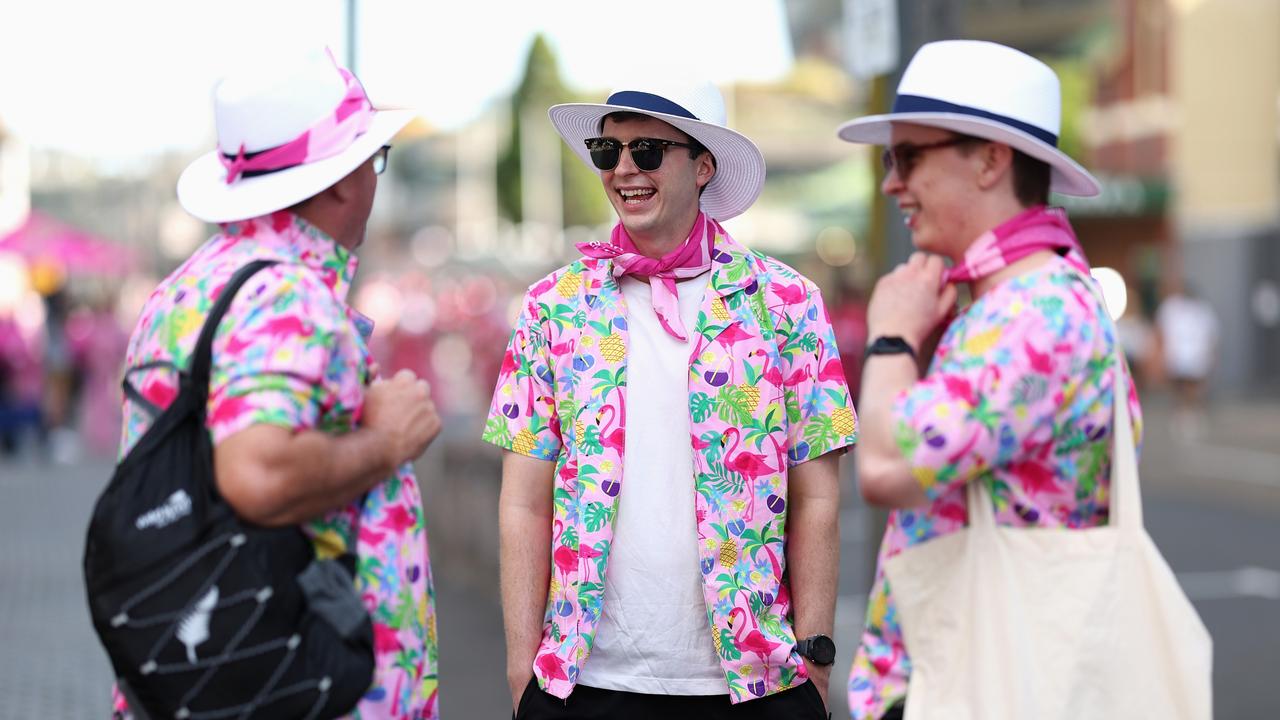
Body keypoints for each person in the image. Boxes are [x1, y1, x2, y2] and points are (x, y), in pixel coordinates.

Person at [484, 80, 858, 719]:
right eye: (609, 151)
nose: (624, 168)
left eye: (648, 150)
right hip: (584, 680)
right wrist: (524, 666)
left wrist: (815, 659)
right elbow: (523, 498)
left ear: (703, 165)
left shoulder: (787, 302)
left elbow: (818, 494)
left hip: (754, 681)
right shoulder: (555, 304)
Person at [112, 47, 442, 719]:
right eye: (373, 161)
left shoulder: (189, 286)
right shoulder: (285, 293)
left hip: (214, 667)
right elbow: (256, 474)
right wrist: (387, 440)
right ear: (345, 178)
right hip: (305, 682)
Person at [835, 40, 1143, 719]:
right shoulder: (1040, 298)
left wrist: (892, 335)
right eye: (891, 159)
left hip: (981, 682)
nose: (891, 182)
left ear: (990, 159)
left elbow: (885, 468)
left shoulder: (1033, 313)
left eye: (909, 156)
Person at [1155, 282, 1219, 439]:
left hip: (1196, 356)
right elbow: (1161, 332)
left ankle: (1191, 414)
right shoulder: (1171, 308)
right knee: (1178, 388)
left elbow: (1212, 336)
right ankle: (1180, 415)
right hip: (1177, 356)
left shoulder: (1202, 311)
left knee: (1192, 388)